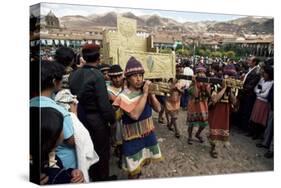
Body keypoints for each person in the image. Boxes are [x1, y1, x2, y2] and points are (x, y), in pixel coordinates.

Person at [69, 44, 116, 181]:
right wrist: (112, 120)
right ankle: (102, 179)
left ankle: (90, 176)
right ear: (98, 57)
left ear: (83, 57)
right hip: (96, 121)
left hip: (79, 118)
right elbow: (104, 104)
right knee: (101, 151)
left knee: (87, 150)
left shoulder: (74, 74)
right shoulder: (97, 75)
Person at [113, 57, 162, 179]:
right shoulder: (123, 96)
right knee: (133, 171)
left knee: (140, 167)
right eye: (134, 76)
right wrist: (145, 94)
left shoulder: (144, 92)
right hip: (132, 140)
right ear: (128, 78)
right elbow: (134, 115)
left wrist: (151, 94)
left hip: (147, 135)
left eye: (141, 75)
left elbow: (158, 109)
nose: (139, 78)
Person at [30, 61, 77, 169]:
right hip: (62, 163)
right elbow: (71, 141)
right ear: (54, 82)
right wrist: (74, 114)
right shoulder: (59, 112)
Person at [54, 89, 100, 182]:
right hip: (69, 164)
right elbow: (77, 140)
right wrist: (74, 114)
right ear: (71, 104)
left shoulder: (55, 115)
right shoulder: (68, 117)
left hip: (61, 160)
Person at [30, 107, 84, 185]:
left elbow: (57, 170)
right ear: (54, 135)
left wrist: (71, 172)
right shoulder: (41, 175)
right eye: (62, 127)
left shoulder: (50, 154)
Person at [208, 64, 238, 158]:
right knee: (214, 129)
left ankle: (216, 146)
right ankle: (213, 148)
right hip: (216, 111)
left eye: (232, 77)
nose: (230, 79)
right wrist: (224, 88)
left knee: (222, 130)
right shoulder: (216, 85)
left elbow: (234, 101)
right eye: (229, 76)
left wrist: (230, 91)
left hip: (225, 112)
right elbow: (214, 100)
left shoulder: (233, 88)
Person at [186, 64, 211, 145]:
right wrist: (194, 83)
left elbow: (209, 95)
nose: (201, 74)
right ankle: (189, 137)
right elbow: (195, 94)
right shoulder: (192, 84)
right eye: (199, 72)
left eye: (202, 72)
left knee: (204, 123)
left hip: (203, 105)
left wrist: (206, 85)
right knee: (191, 123)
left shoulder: (206, 83)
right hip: (193, 105)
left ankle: (198, 134)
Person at [107, 64, 124, 168]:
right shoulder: (107, 89)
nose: (117, 79)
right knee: (118, 140)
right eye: (114, 77)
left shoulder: (126, 87)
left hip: (125, 120)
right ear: (110, 77)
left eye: (119, 76)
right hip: (114, 121)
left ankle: (121, 156)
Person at [238, 56, 261, 133]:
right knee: (242, 110)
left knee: (246, 111)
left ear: (254, 62)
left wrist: (241, 88)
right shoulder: (251, 69)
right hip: (245, 93)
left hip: (249, 95)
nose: (248, 61)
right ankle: (241, 126)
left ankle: (244, 128)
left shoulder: (257, 71)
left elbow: (251, 85)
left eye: (249, 60)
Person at [250, 65, 273, 139]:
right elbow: (255, 88)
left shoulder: (272, 83)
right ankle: (252, 132)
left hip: (264, 103)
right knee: (254, 117)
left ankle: (257, 134)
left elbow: (266, 95)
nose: (264, 74)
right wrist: (260, 92)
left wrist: (258, 93)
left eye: (266, 73)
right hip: (258, 101)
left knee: (260, 119)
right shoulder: (262, 80)